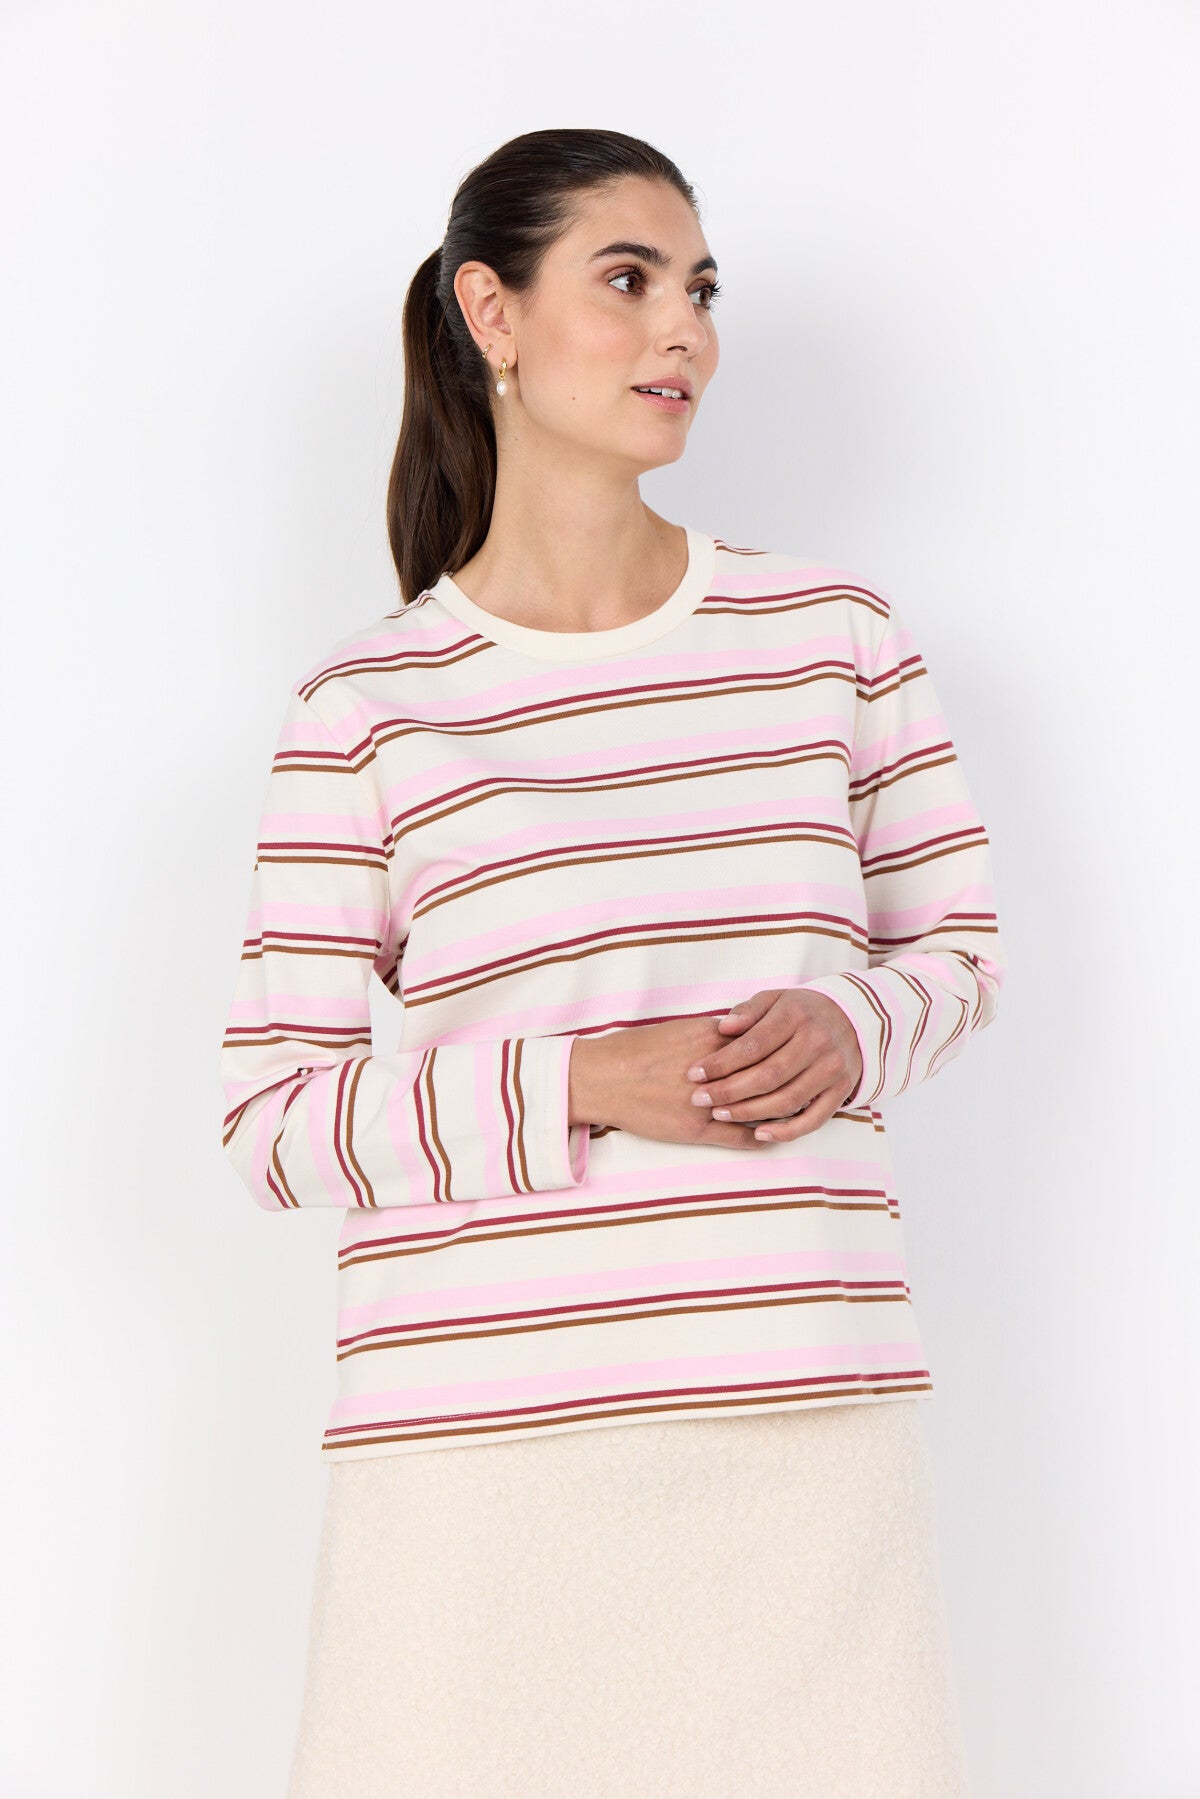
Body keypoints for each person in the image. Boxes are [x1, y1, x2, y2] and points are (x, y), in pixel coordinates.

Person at [218, 126, 1005, 1799]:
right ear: (490, 312)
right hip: (476, 1451)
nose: (683, 332)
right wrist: (585, 1081)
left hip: (801, 1415)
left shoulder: (834, 640)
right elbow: (274, 1121)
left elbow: (955, 950)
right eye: (629, 281)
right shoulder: (368, 708)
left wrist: (853, 1026)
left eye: (701, 291)